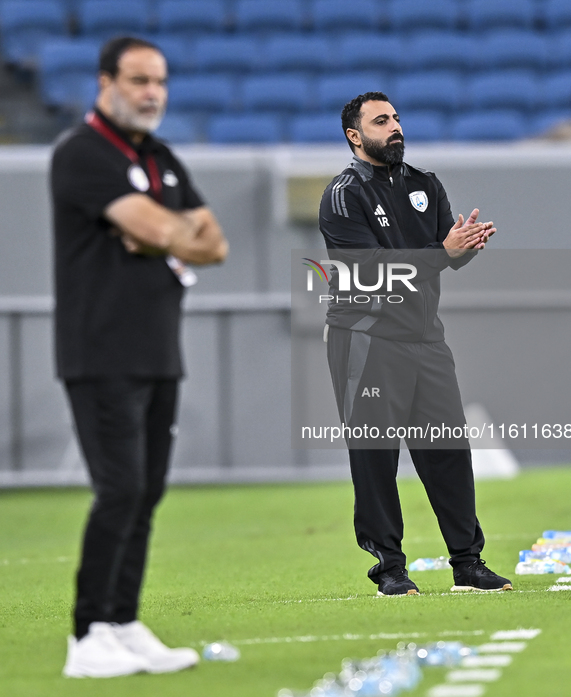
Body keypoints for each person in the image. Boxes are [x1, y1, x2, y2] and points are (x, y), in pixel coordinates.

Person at [52, 36, 228, 677]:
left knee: (147, 491)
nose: (152, 92)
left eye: (159, 80)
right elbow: (169, 231)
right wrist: (165, 232)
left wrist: (157, 234)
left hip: (158, 350)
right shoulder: (81, 154)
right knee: (120, 488)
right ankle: (87, 633)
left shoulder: (160, 156)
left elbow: (216, 244)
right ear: (106, 83)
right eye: (138, 80)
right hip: (99, 352)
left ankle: (123, 622)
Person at [319, 92, 512, 597]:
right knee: (376, 454)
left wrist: (464, 246)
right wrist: (442, 251)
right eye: (381, 121)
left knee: (448, 449)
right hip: (365, 339)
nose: (395, 126)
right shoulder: (343, 195)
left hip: (424, 337)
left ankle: (468, 565)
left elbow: (446, 256)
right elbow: (371, 272)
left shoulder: (425, 185)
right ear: (355, 137)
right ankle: (389, 569)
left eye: (397, 118)